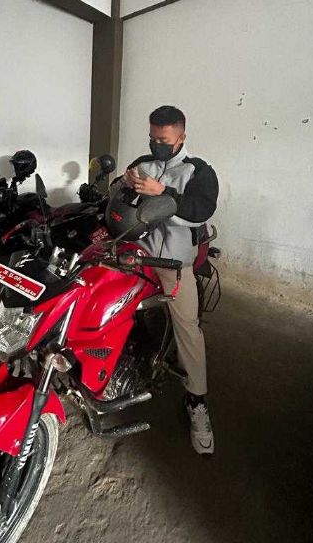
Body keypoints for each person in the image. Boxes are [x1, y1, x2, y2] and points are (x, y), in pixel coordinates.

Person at [122, 105, 219, 455]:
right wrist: (126, 185)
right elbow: (122, 200)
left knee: (187, 328)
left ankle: (197, 401)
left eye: (162, 140)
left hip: (172, 263)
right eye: (152, 138)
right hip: (137, 254)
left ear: (181, 137)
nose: (156, 145)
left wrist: (162, 190)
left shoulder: (199, 172)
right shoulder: (143, 164)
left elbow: (200, 210)